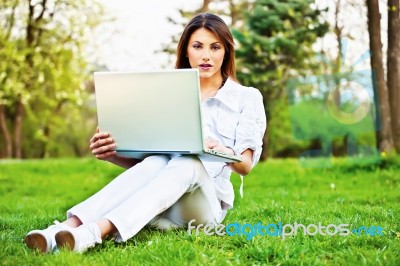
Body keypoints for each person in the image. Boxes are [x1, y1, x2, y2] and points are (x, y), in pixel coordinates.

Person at [24, 12, 266, 253]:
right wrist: (111, 154)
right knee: (157, 160)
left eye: (215, 47)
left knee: (189, 163)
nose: (206, 55)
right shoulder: (167, 93)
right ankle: (59, 230)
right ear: (185, 51)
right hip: (160, 202)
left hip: (204, 207)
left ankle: (93, 232)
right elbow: (149, 169)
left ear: (226, 52)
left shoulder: (247, 97)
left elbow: (245, 165)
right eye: (197, 46)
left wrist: (217, 149)